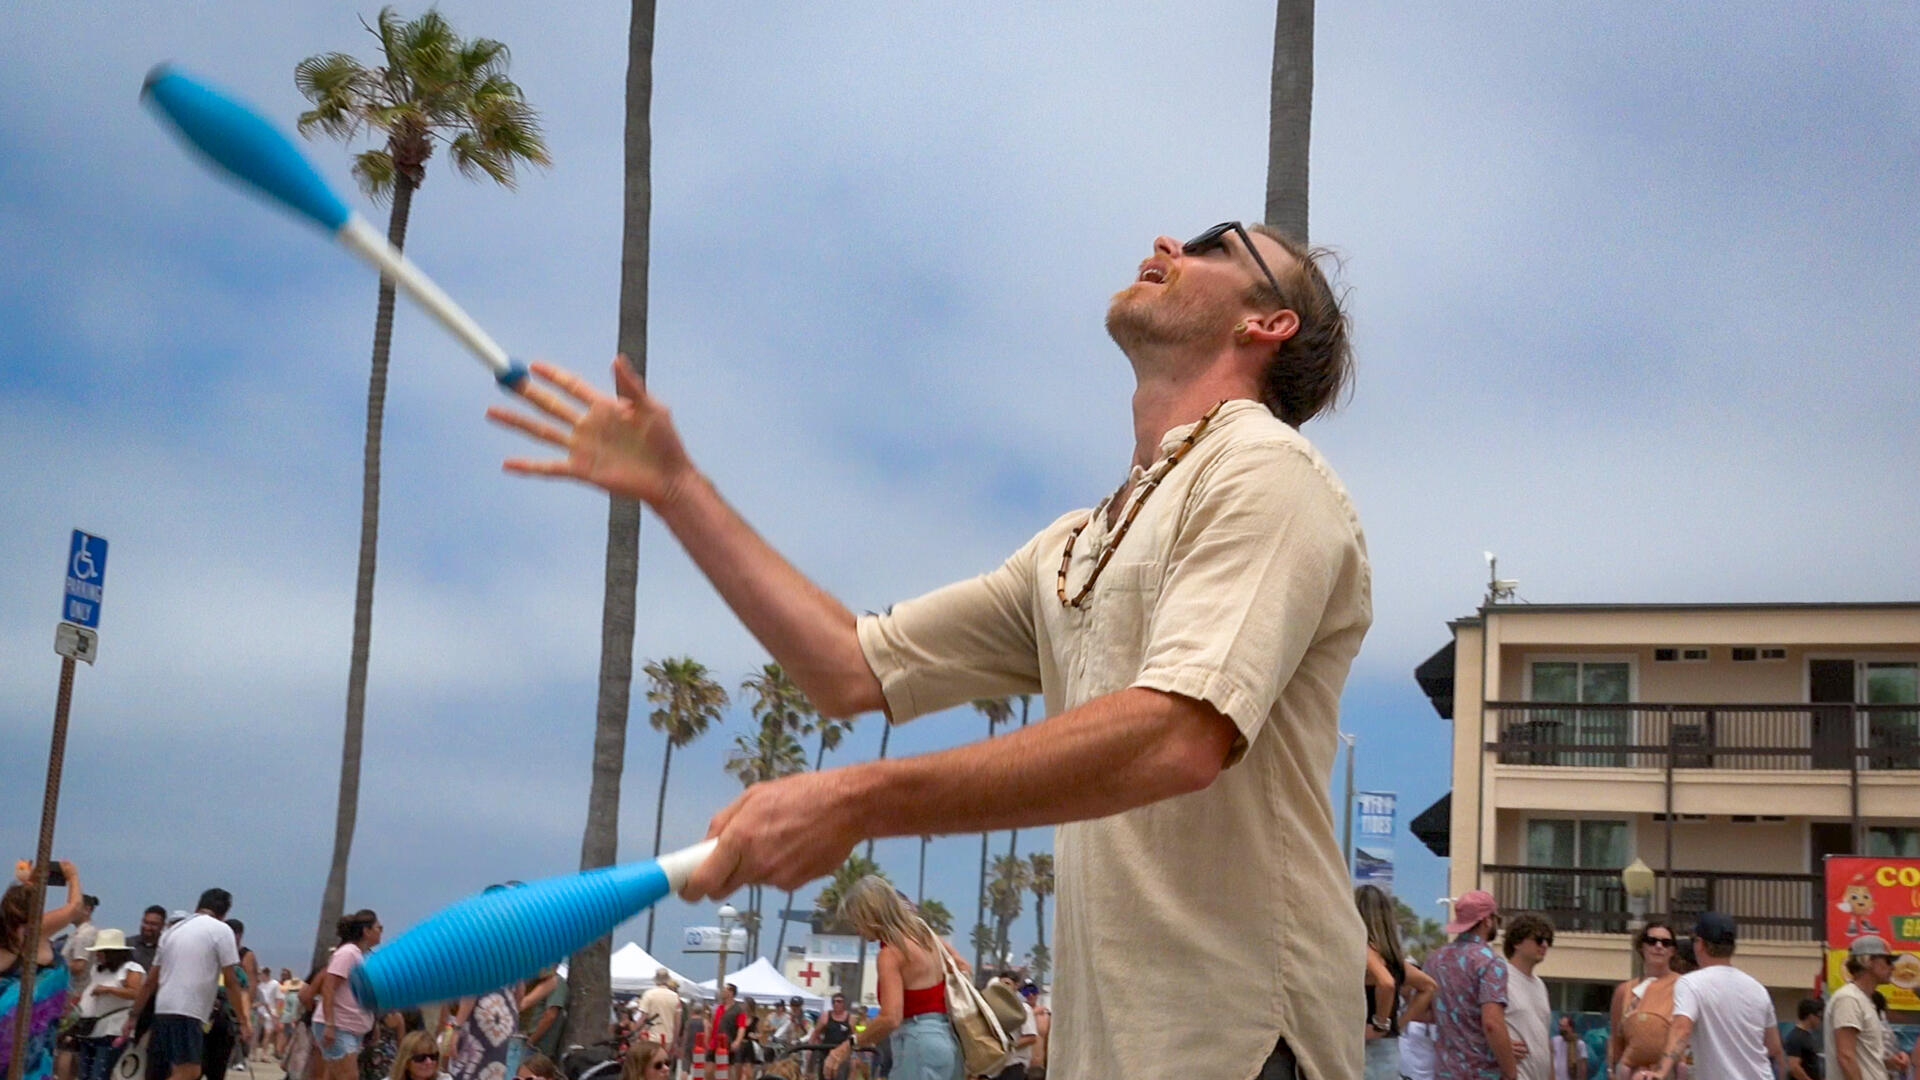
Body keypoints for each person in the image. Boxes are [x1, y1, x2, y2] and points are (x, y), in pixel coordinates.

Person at [489, 217, 1366, 1080]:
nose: (1171, 240)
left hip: (1243, 1045)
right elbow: (847, 665)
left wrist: (854, 800)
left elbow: (1180, 735)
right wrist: (678, 489)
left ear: (1267, 322)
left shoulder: (1266, 471)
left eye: (1216, 241)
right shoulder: (1073, 547)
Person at [822, 877, 961, 1080]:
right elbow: (963, 966)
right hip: (946, 1040)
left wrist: (846, 1047)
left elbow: (891, 1017)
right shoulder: (928, 939)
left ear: (870, 915)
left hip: (916, 1043)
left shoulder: (891, 953)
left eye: (856, 921)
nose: (857, 930)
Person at [1632, 913, 1784, 1080]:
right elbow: (1774, 1047)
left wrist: (1661, 1071)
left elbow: (1681, 1029)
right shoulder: (1758, 989)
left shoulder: (1691, 983)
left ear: (1700, 944)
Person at [121, 888, 251, 1080]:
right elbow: (231, 982)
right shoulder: (221, 930)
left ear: (198, 905)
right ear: (224, 913)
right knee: (190, 1071)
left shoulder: (172, 931)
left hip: (163, 1009)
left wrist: (133, 1016)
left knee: (163, 1071)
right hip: (188, 1010)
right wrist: (243, 1021)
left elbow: (150, 982)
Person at [2, 865, 86, 1080]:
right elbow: (75, 907)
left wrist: (30, 883)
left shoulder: (5, 936)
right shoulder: (39, 929)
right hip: (31, 1032)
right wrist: (72, 876)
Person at [1428, 890, 1522, 1080]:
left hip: (1444, 1071)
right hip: (1480, 1073)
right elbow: (1492, 1023)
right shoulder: (1490, 963)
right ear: (1487, 920)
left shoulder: (1435, 958)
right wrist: (1510, 1072)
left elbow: (1425, 1012)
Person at [1357, 884, 1439, 1080]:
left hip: (1363, 1049)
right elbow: (1429, 986)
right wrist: (1400, 1024)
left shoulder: (1364, 952)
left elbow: (1385, 983)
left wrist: (1380, 1024)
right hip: (1389, 1051)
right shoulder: (1393, 960)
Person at [1825, 937, 1909, 1080]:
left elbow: (1860, 1056)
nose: (1893, 967)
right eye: (1888, 961)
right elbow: (1846, 1056)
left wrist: (1888, 1063)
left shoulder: (1863, 1000)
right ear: (1869, 961)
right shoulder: (1849, 999)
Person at [312, 910, 381, 1080]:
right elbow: (329, 987)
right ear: (366, 931)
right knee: (349, 1076)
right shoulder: (348, 953)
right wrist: (329, 1024)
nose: (380, 931)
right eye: (378, 927)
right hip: (339, 1026)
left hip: (352, 1028)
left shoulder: (361, 956)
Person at [1609, 920, 1682, 1080]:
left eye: (1666, 942)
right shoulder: (1624, 991)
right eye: (1652, 941)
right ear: (1642, 946)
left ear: (1673, 950)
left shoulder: (1684, 986)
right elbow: (1615, 1041)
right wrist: (1612, 1071)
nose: (1658, 946)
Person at [74, 929, 143, 1080]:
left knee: (99, 1074)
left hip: (113, 1029)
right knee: (84, 1074)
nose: (97, 955)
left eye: (101, 951)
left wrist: (109, 990)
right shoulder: (97, 970)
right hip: (91, 1028)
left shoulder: (130, 969)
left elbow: (136, 993)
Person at [1500, 914, 1554, 1080]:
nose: (1544, 945)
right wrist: (1500, 1045)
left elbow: (1544, 1038)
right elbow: (1478, 1023)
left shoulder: (1540, 985)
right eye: (1538, 939)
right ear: (1517, 942)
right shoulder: (1500, 979)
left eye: (1548, 941)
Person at [55, 894, 102, 1080]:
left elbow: (79, 966)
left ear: (87, 909)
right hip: (74, 995)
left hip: (75, 995)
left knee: (67, 1046)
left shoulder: (85, 935)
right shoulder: (77, 933)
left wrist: (56, 968)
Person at [518, 967, 568, 1062]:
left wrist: (531, 1041)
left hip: (536, 1044)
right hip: (523, 1037)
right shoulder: (535, 983)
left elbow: (550, 1015)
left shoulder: (558, 982)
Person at [807, 993, 856, 1079]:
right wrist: (809, 1049)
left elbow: (854, 1036)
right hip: (826, 1051)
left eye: (839, 1001)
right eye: (834, 1002)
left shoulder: (850, 1018)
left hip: (842, 1053)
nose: (836, 1004)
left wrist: (854, 1053)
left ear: (844, 1004)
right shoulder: (825, 1016)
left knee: (840, 1075)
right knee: (824, 1075)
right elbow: (815, 1033)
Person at [635, 970, 680, 1048]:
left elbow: (642, 1017)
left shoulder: (648, 994)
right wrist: (674, 1041)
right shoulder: (675, 997)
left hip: (651, 1037)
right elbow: (677, 1022)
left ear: (656, 981)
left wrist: (635, 1034)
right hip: (668, 1039)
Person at [1784, 998, 1822, 1080]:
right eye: (1818, 1017)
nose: (1819, 1021)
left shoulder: (1807, 1036)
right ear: (1811, 1016)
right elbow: (1794, 1066)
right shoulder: (1796, 1037)